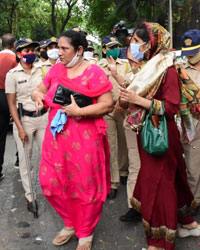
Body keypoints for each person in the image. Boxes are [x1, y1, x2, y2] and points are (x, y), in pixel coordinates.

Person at [118, 22, 200, 250]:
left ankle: (160, 240)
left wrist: (137, 100)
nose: (132, 45)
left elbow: (171, 107)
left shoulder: (167, 69)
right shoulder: (147, 68)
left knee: (158, 186)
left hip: (160, 135)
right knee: (173, 178)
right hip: (150, 132)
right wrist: (127, 98)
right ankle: (188, 221)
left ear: (151, 43)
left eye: (136, 41)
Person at [31, 29, 113, 250]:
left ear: (79, 50)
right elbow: (39, 89)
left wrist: (81, 112)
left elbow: (107, 104)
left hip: (84, 139)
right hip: (56, 137)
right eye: (58, 48)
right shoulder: (55, 70)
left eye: (64, 48)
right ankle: (69, 222)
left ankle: (85, 231)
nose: (59, 53)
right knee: (50, 182)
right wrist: (38, 95)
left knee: (84, 186)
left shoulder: (95, 72)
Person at [5, 38, 48, 212]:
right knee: (25, 160)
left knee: (48, 156)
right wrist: (20, 128)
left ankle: (51, 191)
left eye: (32, 49)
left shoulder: (42, 70)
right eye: (26, 50)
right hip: (24, 120)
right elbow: (11, 104)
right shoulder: (12, 75)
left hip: (43, 118)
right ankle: (31, 198)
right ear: (19, 54)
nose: (30, 53)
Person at [97, 35, 129, 199]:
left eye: (116, 46)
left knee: (124, 142)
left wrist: (122, 102)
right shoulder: (98, 67)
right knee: (110, 145)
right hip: (107, 110)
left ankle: (124, 171)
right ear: (104, 50)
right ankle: (114, 181)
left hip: (124, 107)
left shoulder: (126, 64)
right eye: (111, 47)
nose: (114, 49)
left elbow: (131, 84)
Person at [180, 29, 200, 216]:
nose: (191, 56)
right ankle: (194, 201)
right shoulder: (181, 69)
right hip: (191, 122)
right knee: (193, 166)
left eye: (195, 52)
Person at [0, 33, 17, 181]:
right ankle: (19, 160)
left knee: (0, 135)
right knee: (19, 128)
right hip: (9, 96)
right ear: (14, 45)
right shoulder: (14, 59)